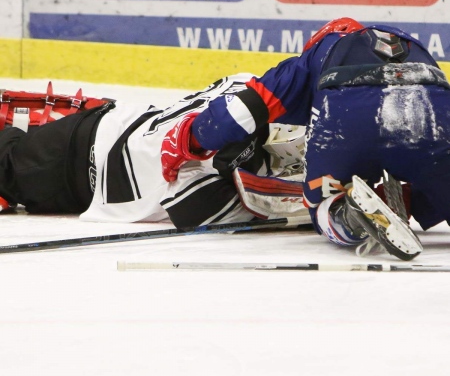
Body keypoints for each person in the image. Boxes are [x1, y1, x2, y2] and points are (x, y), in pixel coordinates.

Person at [162, 17, 450, 260]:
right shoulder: (412, 45)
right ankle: (409, 200)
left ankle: (348, 215)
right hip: (435, 113)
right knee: (439, 180)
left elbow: (243, 111)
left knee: (322, 204)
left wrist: (190, 137)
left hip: (348, 118)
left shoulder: (316, 54)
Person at [0, 74, 309, 228]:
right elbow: (194, 208)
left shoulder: (246, 84)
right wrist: (305, 206)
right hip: (73, 167)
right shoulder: (210, 180)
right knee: (8, 165)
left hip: (105, 128)